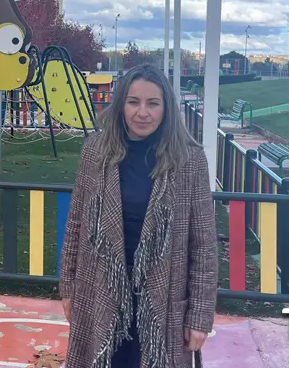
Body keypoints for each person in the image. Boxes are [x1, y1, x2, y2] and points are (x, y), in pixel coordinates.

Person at [59, 64, 218, 368]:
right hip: (102, 290)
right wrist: (69, 288)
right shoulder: (96, 151)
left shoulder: (189, 159)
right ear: (120, 105)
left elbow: (204, 246)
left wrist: (199, 315)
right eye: (133, 102)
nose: (142, 112)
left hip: (164, 298)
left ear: (166, 108)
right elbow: (76, 224)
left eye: (153, 103)